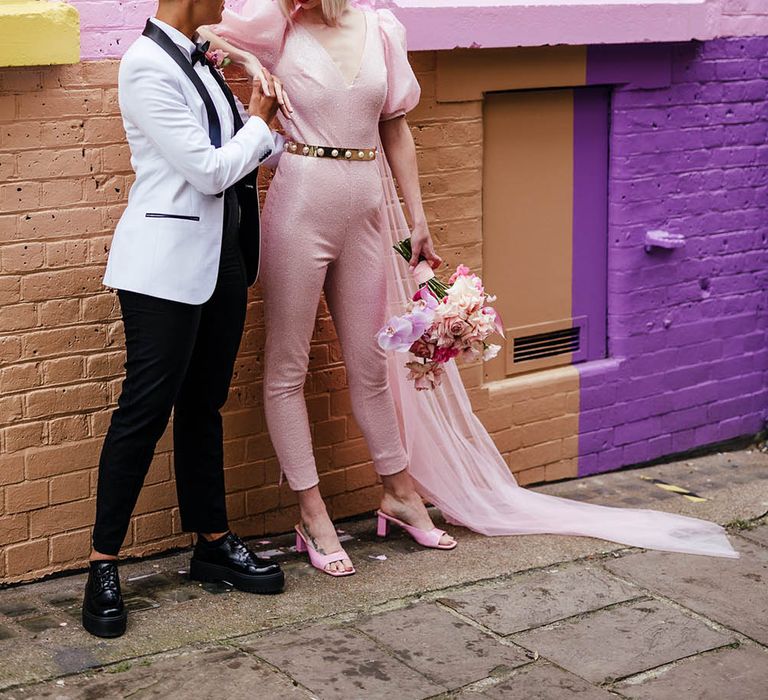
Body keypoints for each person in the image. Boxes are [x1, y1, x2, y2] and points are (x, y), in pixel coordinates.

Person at [202, 0, 738, 577]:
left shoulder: (380, 29)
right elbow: (203, 35)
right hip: (299, 202)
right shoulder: (275, 26)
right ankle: (311, 511)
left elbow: (395, 127)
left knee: (372, 363)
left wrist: (418, 220)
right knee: (287, 368)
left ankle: (399, 492)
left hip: (369, 209)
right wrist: (250, 66)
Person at [84, 0, 291, 639]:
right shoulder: (146, 65)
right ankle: (101, 565)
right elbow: (207, 171)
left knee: (204, 406)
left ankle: (211, 541)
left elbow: (245, 154)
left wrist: (273, 124)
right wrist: (257, 120)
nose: (228, 2)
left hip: (224, 262)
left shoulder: (202, 58)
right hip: (163, 269)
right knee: (143, 413)